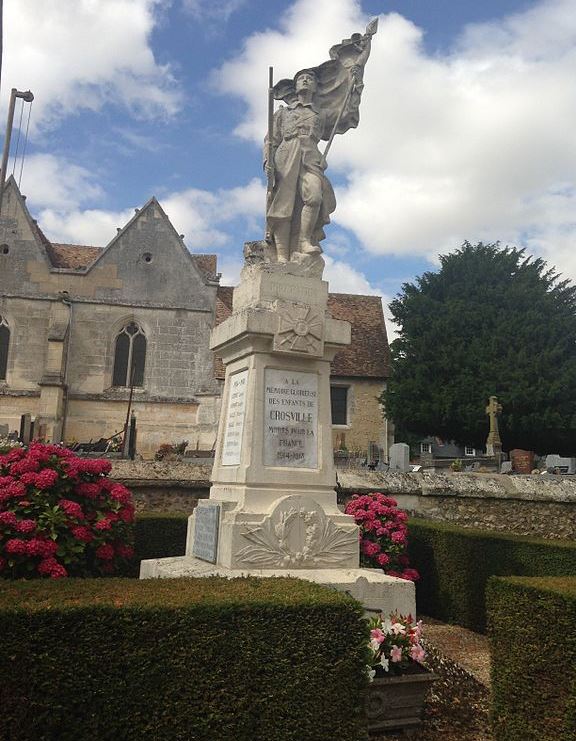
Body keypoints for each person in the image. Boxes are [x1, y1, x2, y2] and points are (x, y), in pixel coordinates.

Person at [264, 22, 377, 263]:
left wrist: (355, 81)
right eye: (301, 78)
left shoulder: (321, 114)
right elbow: (270, 140)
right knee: (284, 205)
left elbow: (346, 114)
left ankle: (305, 240)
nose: (305, 81)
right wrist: (267, 162)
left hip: (310, 157)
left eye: (309, 78)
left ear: (316, 86)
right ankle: (282, 255)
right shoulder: (283, 113)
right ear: (294, 86)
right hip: (286, 155)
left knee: (314, 197)